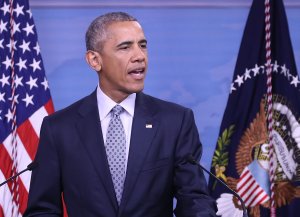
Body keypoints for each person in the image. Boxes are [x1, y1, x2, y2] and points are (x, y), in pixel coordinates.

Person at [24, 12, 217, 217]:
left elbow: (195, 200)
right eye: (125, 47)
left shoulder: (175, 122)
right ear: (94, 60)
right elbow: (42, 210)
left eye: (142, 45)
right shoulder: (59, 128)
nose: (139, 56)